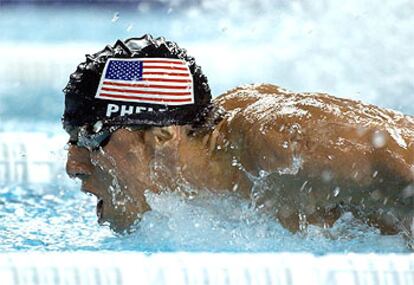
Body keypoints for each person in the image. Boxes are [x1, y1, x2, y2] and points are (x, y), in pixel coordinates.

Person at [64, 35, 414, 241]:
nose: (73, 166)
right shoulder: (209, 178)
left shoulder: (281, 146)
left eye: (93, 138)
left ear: (161, 136)